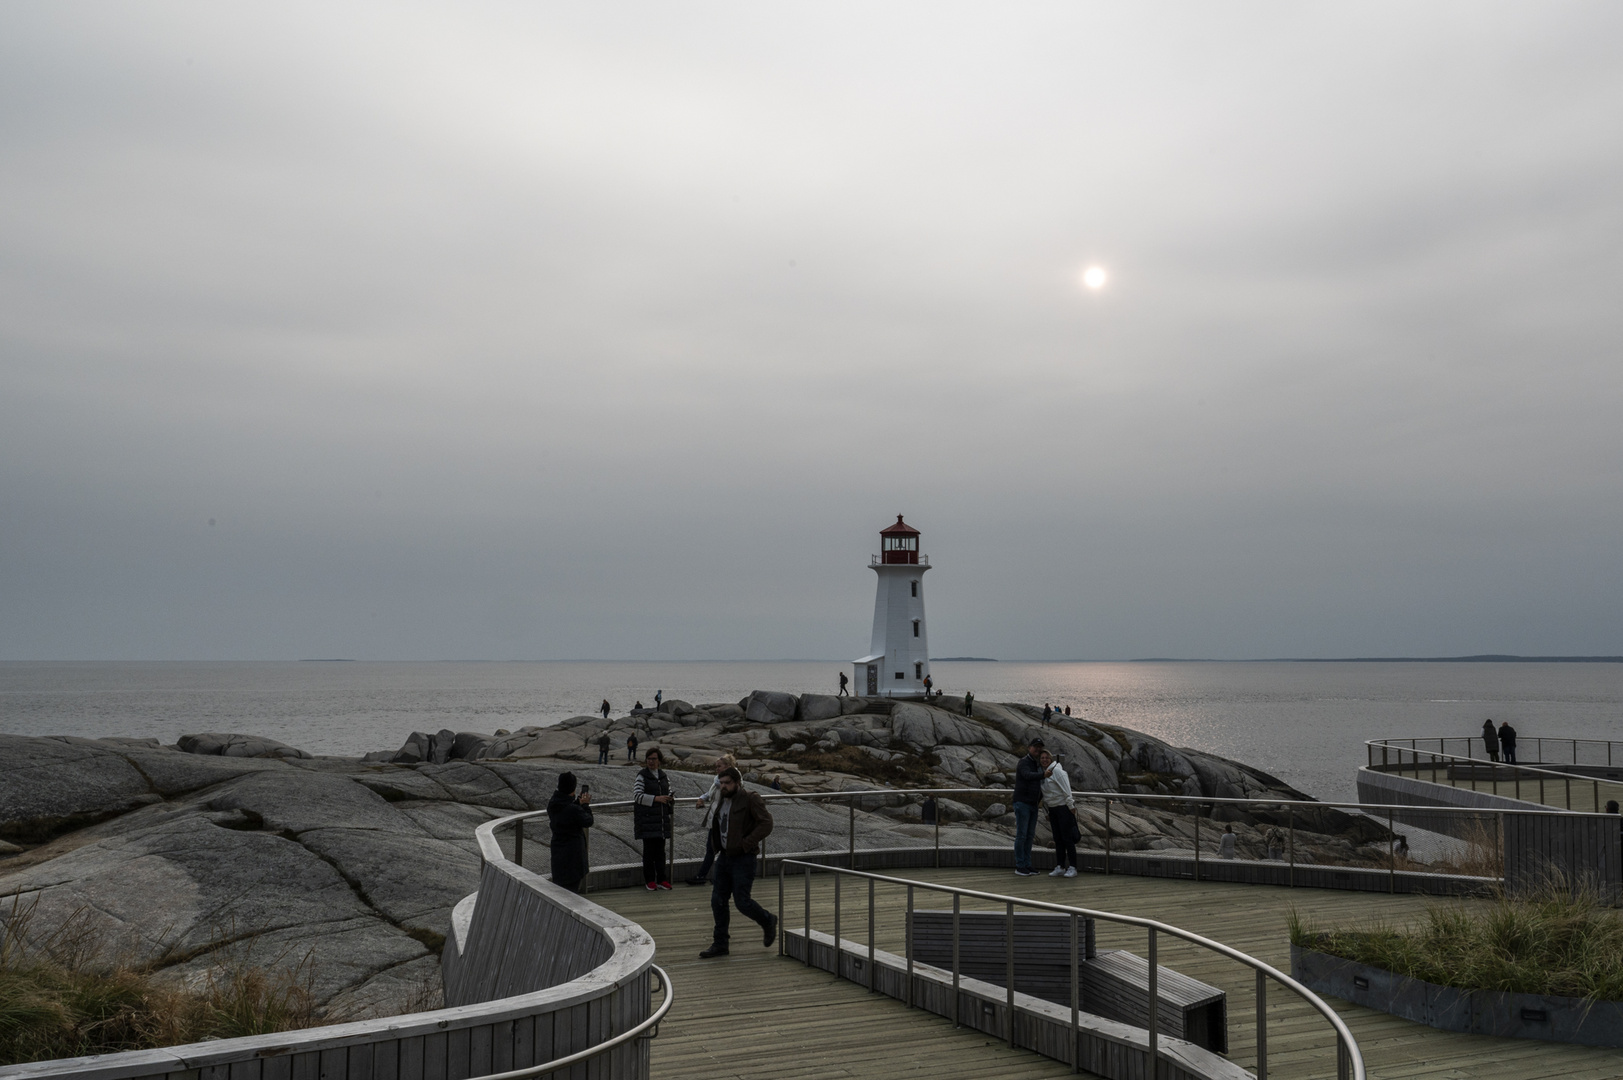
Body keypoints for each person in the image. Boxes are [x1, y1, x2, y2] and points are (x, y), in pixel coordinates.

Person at [699, 767, 777, 957]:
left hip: (744, 857)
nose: (724, 786)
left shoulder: (750, 798)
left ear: (737, 783)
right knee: (718, 900)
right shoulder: (720, 798)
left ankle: (768, 920)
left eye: (727, 783)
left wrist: (746, 843)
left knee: (742, 902)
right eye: (721, 783)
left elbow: (766, 823)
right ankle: (720, 943)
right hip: (724, 856)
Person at [686, 754, 737, 886]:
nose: (717, 769)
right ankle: (711, 876)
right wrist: (701, 798)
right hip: (715, 821)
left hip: (724, 821)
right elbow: (710, 793)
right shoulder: (718, 780)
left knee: (717, 850)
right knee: (713, 849)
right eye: (716, 766)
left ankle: (704, 876)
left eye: (719, 766)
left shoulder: (733, 781)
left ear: (728, 766)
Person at [633, 749, 673, 890]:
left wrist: (669, 798)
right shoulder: (642, 776)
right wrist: (656, 799)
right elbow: (637, 796)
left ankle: (662, 879)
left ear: (659, 761)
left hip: (661, 821)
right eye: (649, 758)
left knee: (660, 852)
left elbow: (667, 791)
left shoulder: (664, 776)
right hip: (647, 821)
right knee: (649, 852)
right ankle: (649, 881)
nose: (651, 761)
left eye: (654, 758)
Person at [547, 772, 593, 893]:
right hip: (573, 854)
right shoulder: (573, 810)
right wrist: (586, 805)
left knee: (560, 888)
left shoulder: (553, 803)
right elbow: (588, 821)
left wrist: (577, 803)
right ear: (573, 788)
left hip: (558, 851)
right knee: (571, 891)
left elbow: (566, 812)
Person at [1039, 749, 1078, 878]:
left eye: (1046, 758)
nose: (1044, 760)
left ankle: (1073, 867)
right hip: (1053, 809)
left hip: (1063, 808)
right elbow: (1044, 796)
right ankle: (1060, 866)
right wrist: (1046, 811)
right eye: (1042, 758)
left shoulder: (1057, 771)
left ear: (1051, 759)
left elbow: (1067, 790)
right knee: (1058, 839)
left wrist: (1071, 806)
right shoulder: (1044, 774)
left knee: (1067, 839)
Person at [1012, 736, 1045, 876]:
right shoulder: (1024, 762)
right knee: (1021, 835)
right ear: (1029, 748)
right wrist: (1043, 775)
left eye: (1040, 747)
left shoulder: (1037, 764)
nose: (1038, 749)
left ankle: (1027, 864)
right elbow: (1027, 775)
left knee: (1029, 835)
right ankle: (1020, 866)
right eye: (1035, 746)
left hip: (1033, 804)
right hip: (1022, 803)